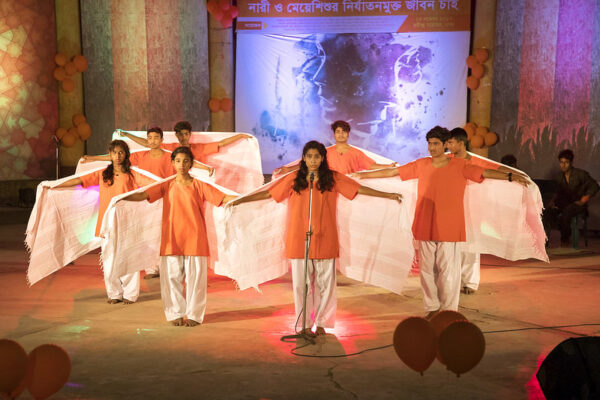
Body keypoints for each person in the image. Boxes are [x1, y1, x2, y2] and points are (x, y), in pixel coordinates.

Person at [353, 126, 528, 317]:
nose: (432, 147)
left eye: (436, 143)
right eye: (429, 143)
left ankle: (449, 310)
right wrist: (363, 176)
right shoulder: (421, 164)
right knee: (427, 270)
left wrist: (510, 176)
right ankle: (432, 307)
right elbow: (392, 172)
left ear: (445, 144)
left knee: (448, 271)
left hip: (449, 226)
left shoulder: (459, 165)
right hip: (424, 224)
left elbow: (485, 173)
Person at [231, 140, 402, 336]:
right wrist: (241, 200)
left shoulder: (333, 178)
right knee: (300, 285)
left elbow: (358, 189)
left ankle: (321, 322)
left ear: (323, 158)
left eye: (317, 156)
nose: (313, 160)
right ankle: (303, 324)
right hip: (299, 239)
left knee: (326, 284)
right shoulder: (295, 178)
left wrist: (387, 195)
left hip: (325, 237)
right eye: (309, 156)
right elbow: (269, 194)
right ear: (304, 158)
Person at [122, 146, 237, 327]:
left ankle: (194, 315)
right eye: (178, 161)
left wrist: (245, 198)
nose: (181, 164)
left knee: (196, 279)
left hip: (195, 238)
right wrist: (120, 199)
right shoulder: (167, 185)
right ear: (172, 163)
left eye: (185, 161)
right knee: (171, 278)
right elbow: (144, 195)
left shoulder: (200, 185)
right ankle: (175, 312)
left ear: (191, 164)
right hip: (171, 238)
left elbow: (223, 198)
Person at [51, 140, 155, 304]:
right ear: (110, 154)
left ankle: (130, 294)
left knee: (129, 256)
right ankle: (114, 293)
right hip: (107, 223)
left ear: (126, 154)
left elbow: (154, 185)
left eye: (121, 152)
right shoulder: (102, 174)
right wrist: (54, 185)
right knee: (109, 258)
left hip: (127, 222)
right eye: (114, 152)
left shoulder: (133, 174)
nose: (118, 156)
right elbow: (79, 180)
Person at [445, 128, 527, 295]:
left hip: (473, 209)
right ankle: (450, 280)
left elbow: (496, 169)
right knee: (450, 247)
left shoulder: (476, 161)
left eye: (451, 142)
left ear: (461, 143)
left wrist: (516, 175)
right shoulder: (445, 160)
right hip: (451, 208)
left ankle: (469, 282)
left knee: (471, 246)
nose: (448, 145)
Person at [273, 120, 396, 176]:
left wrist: (388, 166)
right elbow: (309, 164)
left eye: (344, 131)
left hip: (348, 188)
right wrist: (288, 169)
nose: (341, 134)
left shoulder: (356, 153)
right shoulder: (325, 152)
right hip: (328, 187)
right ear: (334, 134)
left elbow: (371, 166)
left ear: (348, 134)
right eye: (338, 131)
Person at [119, 120, 252, 165]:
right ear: (176, 135)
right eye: (181, 134)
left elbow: (221, 143)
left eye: (186, 134)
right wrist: (126, 134)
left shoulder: (199, 148)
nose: (183, 137)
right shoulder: (170, 148)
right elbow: (148, 143)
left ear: (190, 135)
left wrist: (239, 135)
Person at [543, 149, 599, 247]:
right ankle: (543, 241)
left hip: (578, 204)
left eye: (566, 162)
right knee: (547, 212)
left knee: (567, 212)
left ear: (571, 163)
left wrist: (586, 197)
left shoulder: (581, 174)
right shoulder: (559, 176)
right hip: (564, 203)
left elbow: (594, 186)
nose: (563, 165)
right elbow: (557, 193)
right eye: (561, 162)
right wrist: (552, 202)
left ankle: (565, 240)